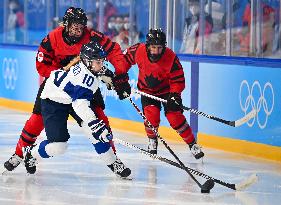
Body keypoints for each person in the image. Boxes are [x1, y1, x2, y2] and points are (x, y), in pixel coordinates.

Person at [3, 7, 127, 174]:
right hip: (57, 89)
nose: (78, 30)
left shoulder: (91, 36)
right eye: (75, 26)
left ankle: (113, 160)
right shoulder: (52, 39)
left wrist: (120, 74)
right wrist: (63, 75)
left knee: (100, 121)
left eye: (81, 27)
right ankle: (19, 154)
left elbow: (114, 50)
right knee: (36, 121)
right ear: (66, 24)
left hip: (85, 86)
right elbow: (42, 66)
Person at [22, 41, 131, 178]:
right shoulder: (83, 80)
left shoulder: (89, 66)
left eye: (102, 61)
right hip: (53, 100)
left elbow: (98, 75)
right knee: (59, 147)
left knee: (93, 132)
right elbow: (80, 105)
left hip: (71, 97)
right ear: (88, 61)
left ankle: (113, 162)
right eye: (98, 62)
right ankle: (31, 153)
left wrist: (110, 79)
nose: (101, 64)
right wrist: (95, 124)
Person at [113, 28, 204, 160]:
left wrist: (175, 95)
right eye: (153, 47)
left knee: (175, 118)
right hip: (147, 91)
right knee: (151, 117)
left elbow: (178, 79)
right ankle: (152, 141)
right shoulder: (138, 50)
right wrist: (121, 79)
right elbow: (123, 61)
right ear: (148, 46)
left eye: (159, 47)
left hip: (167, 92)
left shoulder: (171, 57)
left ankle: (192, 144)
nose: (156, 51)